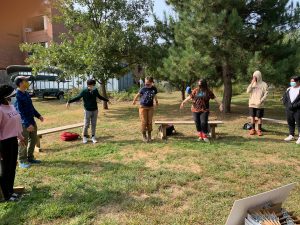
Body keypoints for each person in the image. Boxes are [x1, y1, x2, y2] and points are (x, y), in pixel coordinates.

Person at [0, 85, 24, 201]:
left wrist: (20, 136)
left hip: (13, 141)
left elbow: (17, 124)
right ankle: (6, 194)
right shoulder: (0, 109)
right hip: (4, 143)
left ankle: (10, 190)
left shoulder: (11, 107)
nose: (14, 97)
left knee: (12, 167)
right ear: (6, 96)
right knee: (6, 169)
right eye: (12, 95)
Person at [66, 79, 109, 144]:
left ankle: (93, 137)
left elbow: (99, 96)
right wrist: (69, 101)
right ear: (90, 85)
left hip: (95, 110)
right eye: (93, 85)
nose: (94, 86)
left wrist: (107, 100)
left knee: (94, 124)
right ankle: (84, 137)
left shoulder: (95, 90)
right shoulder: (84, 91)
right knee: (86, 124)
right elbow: (78, 97)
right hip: (87, 110)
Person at [14, 76, 44, 169]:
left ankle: (30, 157)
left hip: (31, 120)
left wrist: (38, 115)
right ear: (20, 83)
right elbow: (20, 112)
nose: (27, 82)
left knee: (34, 139)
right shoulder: (17, 95)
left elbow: (31, 107)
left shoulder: (26, 93)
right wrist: (27, 124)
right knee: (23, 141)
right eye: (25, 80)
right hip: (24, 123)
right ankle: (22, 160)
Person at [133, 76, 158, 142]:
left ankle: (149, 135)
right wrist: (134, 101)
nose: (146, 84)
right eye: (145, 83)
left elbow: (155, 95)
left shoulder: (154, 89)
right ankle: (144, 136)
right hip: (143, 107)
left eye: (148, 83)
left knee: (149, 122)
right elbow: (138, 95)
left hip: (150, 107)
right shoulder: (143, 89)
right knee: (144, 122)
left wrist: (156, 101)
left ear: (151, 82)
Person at [247, 70, 269, 136]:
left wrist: (261, 100)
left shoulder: (264, 84)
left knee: (259, 117)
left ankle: (259, 130)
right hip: (252, 104)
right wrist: (251, 84)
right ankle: (253, 129)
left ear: (259, 76)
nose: (254, 78)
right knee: (252, 117)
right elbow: (248, 91)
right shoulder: (252, 84)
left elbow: (266, 94)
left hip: (259, 104)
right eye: (253, 76)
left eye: (256, 77)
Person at [282, 76, 300, 144]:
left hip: (298, 110)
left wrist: (295, 106)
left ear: (298, 81)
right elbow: (284, 98)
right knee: (290, 122)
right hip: (289, 109)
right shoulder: (289, 89)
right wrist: (286, 105)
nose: (292, 83)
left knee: (299, 123)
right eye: (291, 81)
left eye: (293, 81)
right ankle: (291, 135)